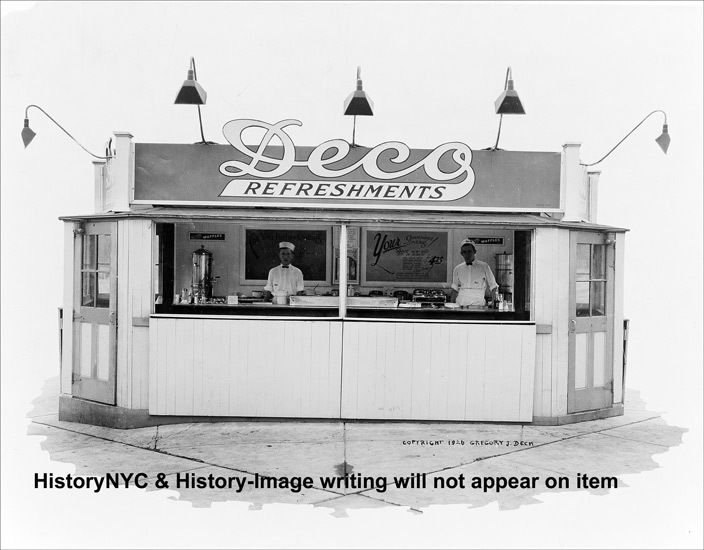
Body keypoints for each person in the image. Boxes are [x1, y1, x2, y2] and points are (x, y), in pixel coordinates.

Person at [450, 239, 499, 307]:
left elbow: (493, 287)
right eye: (464, 252)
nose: (467, 254)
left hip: (479, 306)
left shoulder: (484, 266)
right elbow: (455, 290)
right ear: (461, 253)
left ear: (474, 252)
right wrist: (451, 306)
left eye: (469, 251)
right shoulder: (457, 269)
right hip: (460, 305)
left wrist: (494, 304)